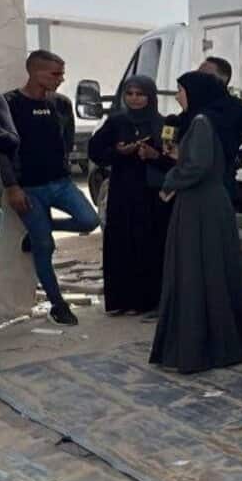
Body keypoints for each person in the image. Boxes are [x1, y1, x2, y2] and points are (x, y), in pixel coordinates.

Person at [149, 71, 242, 374]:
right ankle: (228, 342)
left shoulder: (200, 122)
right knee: (216, 270)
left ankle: (200, 347)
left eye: (181, 91)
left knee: (195, 271)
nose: (178, 97)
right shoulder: (211, 119)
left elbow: (196, 167)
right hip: (214, 201)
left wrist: (170, 181)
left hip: (199, 204)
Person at [4, 50, 99, 326]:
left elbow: (67, 139)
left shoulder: (61, 103)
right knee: (44, 247)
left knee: (89, 219)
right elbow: (3, 152)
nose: (61, 79)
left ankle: (39, 231)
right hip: (28, 188)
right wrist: (12, 187)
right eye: (55, 74)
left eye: (62, 73)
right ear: (35, 72)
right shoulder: (9, 104)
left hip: (60, 183)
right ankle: (58, 304)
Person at [87, 76, 172, 318]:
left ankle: (147, 301)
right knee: (120, 243)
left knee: (149, 244)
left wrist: (154, 155)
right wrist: (119, 152)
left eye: (140, 94)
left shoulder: (163, 124)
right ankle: (121, 301)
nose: (135, 99)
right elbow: (96, 152)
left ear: (150, 97)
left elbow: (174, 160)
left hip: (152, 194)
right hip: (123, 192)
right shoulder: (116, 122)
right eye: (130, 94)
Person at [197, 56, 242, 200]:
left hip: (222, 184)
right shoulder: (194, 106)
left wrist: (241, 154)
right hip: (192, 183)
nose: (197, 78)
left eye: (202, 74)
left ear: (221, 80)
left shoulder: (240, 109)